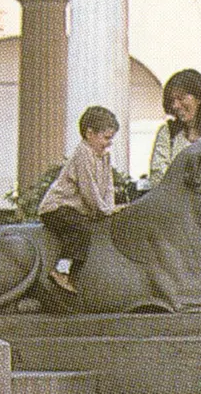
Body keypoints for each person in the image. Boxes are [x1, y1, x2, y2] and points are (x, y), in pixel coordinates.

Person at [38, 106, 123, 294]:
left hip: (78, 209)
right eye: (106, 138)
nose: (108, 144)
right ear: (90, 134)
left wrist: (110, 207)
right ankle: (62, 269)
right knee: (80, 229)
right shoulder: (82, 154)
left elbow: (108, 186)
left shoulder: (104, 157)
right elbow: (89, 190)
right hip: (58, 208)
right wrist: (105, 210)